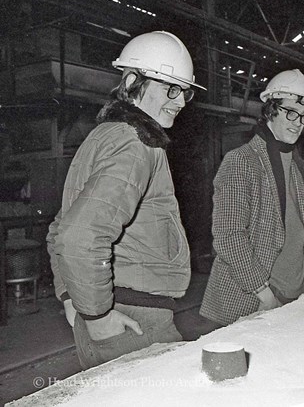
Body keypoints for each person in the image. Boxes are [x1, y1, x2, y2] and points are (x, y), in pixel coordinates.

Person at [46, 31, 205, 369]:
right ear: (133, 81)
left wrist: (70, 296)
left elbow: (59, 227)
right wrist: (97, 314)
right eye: (170, 89)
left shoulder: (104, 135)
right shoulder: (136, 143)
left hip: (115, 304)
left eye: (184, 92)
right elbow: (78, 235)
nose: (179, 101)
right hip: (134, 315)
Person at [200, 69, 304, 327]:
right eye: (290, 112)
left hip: (297, 296)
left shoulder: (301, 166)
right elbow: (228, 236)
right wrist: (264, 295)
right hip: (256, 299)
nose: (298, 122)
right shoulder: (241, 161)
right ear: (271, 110)